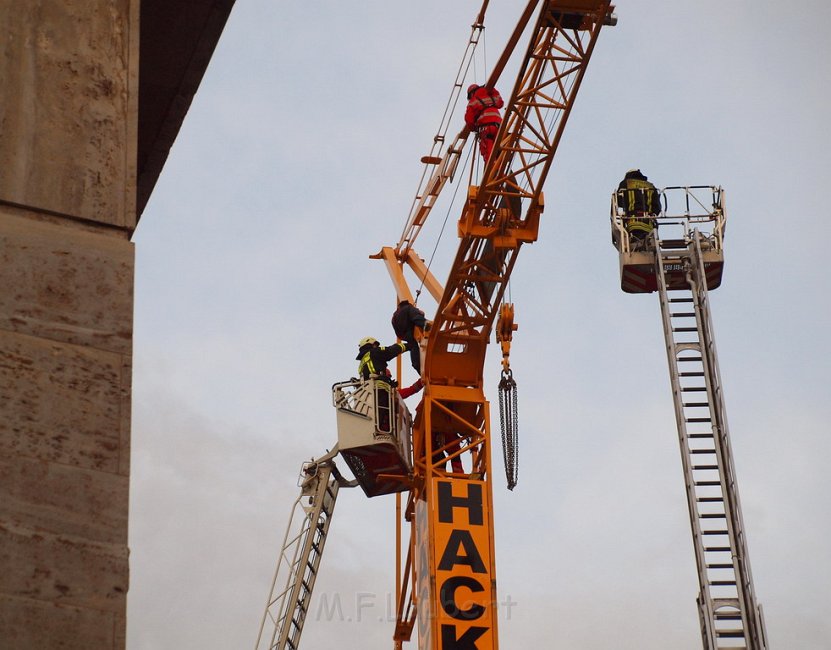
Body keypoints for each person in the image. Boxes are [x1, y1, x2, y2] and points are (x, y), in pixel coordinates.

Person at [616, 169, 662, 250]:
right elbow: (657, 207)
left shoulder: (626, 183)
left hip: (633, 222)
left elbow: (619, 201)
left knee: (636, 246)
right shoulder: (650, 186)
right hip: (649, 224)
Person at [464, 84, 504, 162]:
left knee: (488, 151)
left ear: (471, 93)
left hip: (486, 128)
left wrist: (474, 128)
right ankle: (501, 168)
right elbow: (501, 103)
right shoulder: (492, 95)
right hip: (499, 126)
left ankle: (493, 169)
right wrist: (492, 90)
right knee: (500, 149)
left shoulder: (473, 101)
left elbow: (469, 119)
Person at [391, 299, 427, 375]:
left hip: (405, 334)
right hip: (411, 330)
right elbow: (416, 317)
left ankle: (420, 370)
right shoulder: (408, 308)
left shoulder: (394, 316)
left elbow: (397, 331)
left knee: (413, 348)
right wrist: (425, 324)